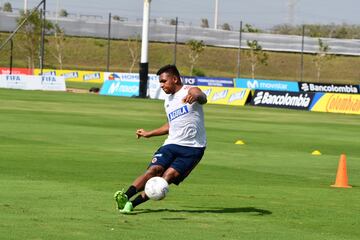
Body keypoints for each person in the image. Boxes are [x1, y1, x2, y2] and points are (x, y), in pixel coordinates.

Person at [114, 64, 207, 214]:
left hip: (193, 148)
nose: (162, 85)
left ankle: (132, 204)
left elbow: (202, 97)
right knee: (153, 170)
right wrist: (149, 133)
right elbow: (171, 125)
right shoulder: (168, 101)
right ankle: (125, 196)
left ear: (175, 79)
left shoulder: (189, 90)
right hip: (171, 144)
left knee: (165, 178)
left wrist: (196, 96)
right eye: (160, 82)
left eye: (164, 81)